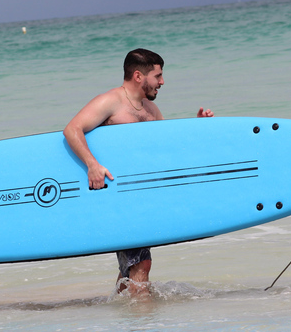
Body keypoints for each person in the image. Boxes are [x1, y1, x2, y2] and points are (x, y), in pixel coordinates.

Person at [63, 48, 213, 296]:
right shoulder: (110, 102)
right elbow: (72, 129)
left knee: (131, 270)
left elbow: (167, 148)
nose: (162, 82)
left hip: (141, 199)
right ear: (138, 76)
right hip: (117, 198)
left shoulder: (151, 111)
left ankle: (126, 320)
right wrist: (92, 165)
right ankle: (144, 326)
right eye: (158, 76)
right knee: (141, 264)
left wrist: (197, 126)